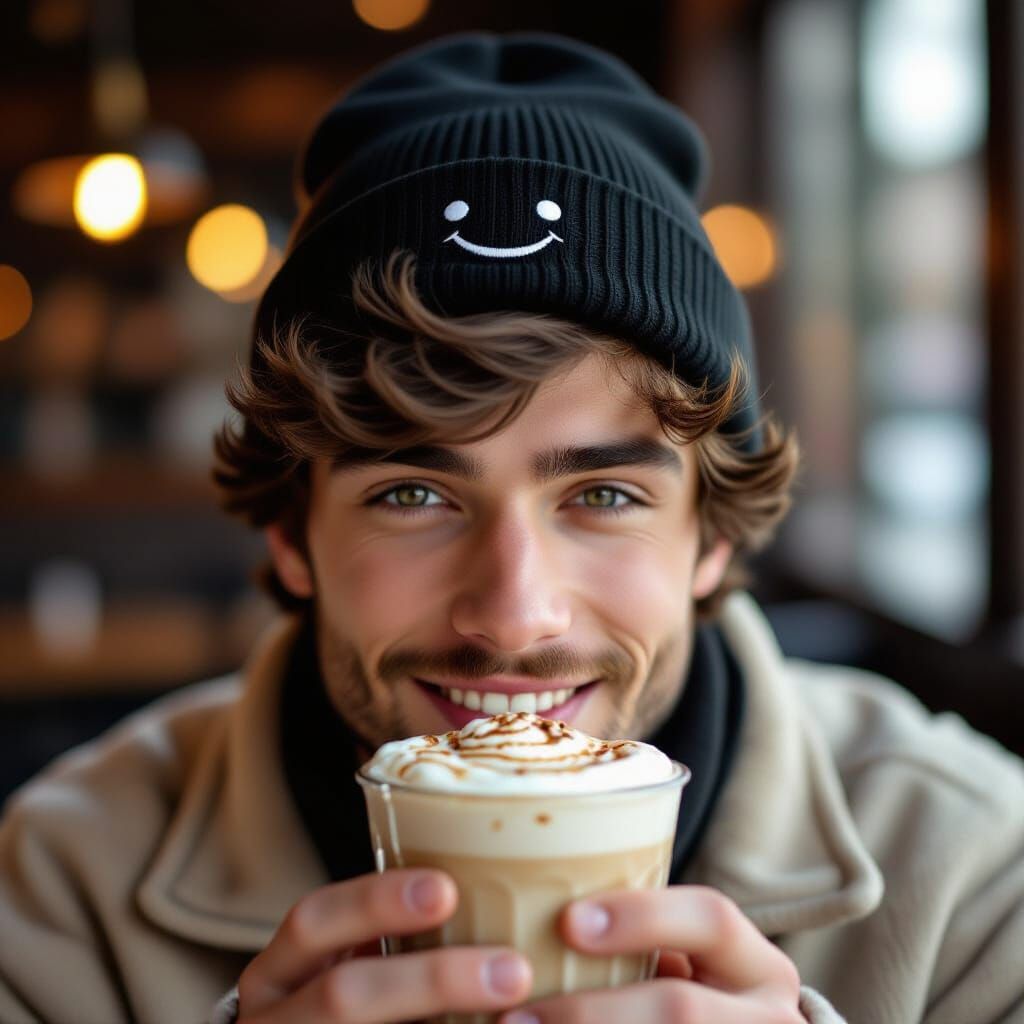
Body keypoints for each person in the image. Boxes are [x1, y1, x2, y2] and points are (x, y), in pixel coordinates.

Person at [2, 29, 1022, 1024]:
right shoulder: (59, 885)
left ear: (711, 539)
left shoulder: (974, 869)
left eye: (604, 496)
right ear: (288, 533)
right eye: (413, 494)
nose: (513, 616)